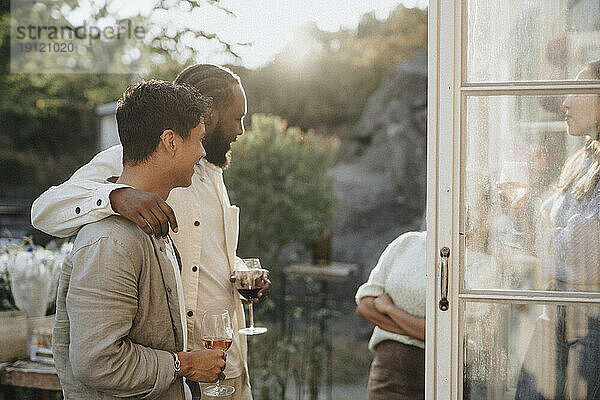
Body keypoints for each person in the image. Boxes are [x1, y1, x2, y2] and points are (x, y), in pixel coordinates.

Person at [32, 65, 267, 399]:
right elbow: (44, 210)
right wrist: (115, 196)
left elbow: (209, 255)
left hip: (224, 362)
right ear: (210, 115)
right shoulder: (133, 159)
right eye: (237, 117)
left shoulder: (213, 174)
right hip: (167, 372)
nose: (241, 129)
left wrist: (241, 272)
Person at [515, 60, 600, 399]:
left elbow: (589, 248)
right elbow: (549, 230)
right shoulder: (582, 160)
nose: (565, 101)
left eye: (577, 91)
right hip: (555, 311)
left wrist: (551, 236)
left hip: (592, 320)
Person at [355, 231, 426, 400]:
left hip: (442, 379)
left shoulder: (480, 259)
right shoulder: (406, 242)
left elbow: (441, 334)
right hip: (388, 376)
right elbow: (365, 305)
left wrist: (390, 309)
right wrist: (419, 331)